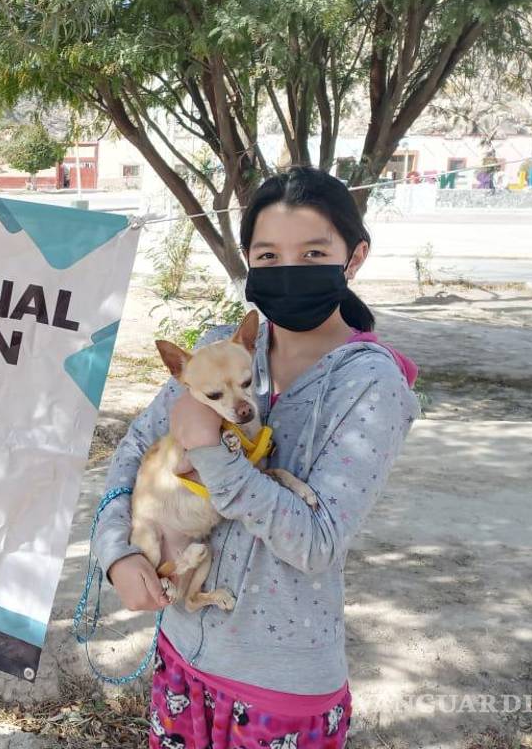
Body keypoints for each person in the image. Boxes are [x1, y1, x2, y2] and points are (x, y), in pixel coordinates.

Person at [93, 166, 420, 749]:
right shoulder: (225, 349)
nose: (288, 270)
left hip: (280, 686)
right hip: (182, 654)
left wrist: (209, 450)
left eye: (313, 251)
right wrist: (116, 553)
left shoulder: (372, 385)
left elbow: (316, 544)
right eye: (267, 256)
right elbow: (134, 451)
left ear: (355, 256)